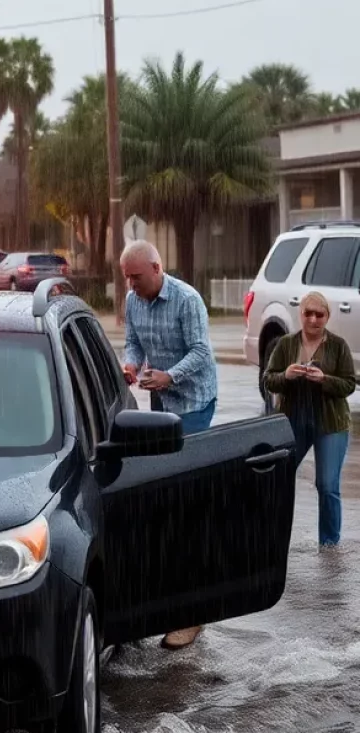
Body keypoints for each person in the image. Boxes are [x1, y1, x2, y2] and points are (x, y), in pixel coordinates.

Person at [120, 240, 218, 651]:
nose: (131, 284)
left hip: (194, 402)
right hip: (160, 404)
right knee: (163, 503)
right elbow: (134, 343)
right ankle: (163, 599)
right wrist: (130, 362)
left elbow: (201, 352)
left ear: (157, 268)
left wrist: (169, 377)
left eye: (137, 276)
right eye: (127, 277)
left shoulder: (187, 299)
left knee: (184, 502)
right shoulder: (132, 300)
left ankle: (193, 612)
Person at [263, 291, 355, 549]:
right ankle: (275, 536)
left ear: (327, 316)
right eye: (308, 313)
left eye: (319, 314)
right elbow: (268, 379)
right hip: (293, 420)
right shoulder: (286, 344)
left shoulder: (338, 345)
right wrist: (287, 376)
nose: (313, 319)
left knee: (327, 484)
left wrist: (324, 379)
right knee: (278, 479)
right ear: (300, 314)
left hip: (331, 422)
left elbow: (349, 384)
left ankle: (329, 542)